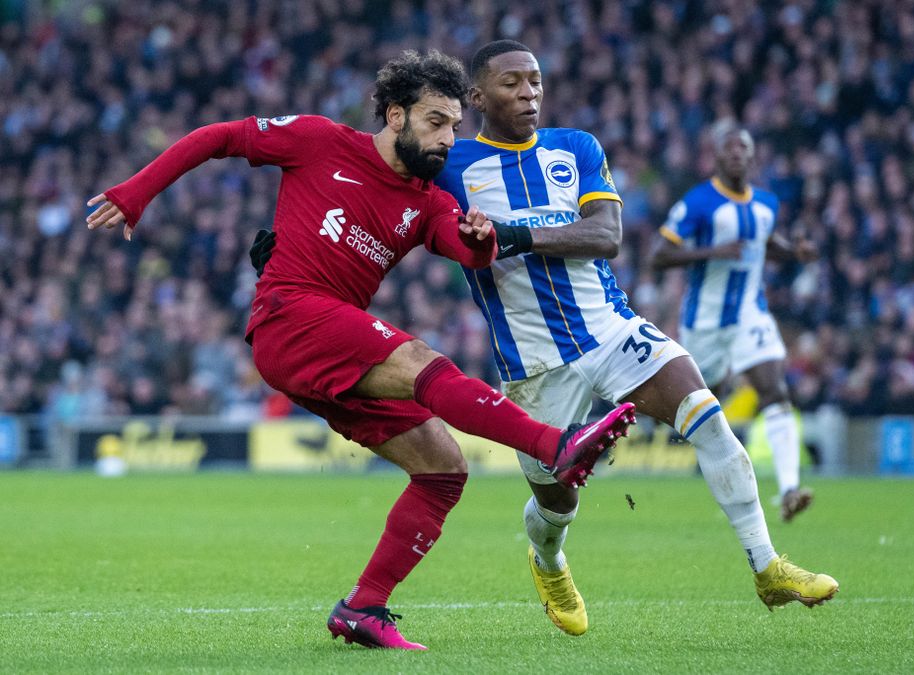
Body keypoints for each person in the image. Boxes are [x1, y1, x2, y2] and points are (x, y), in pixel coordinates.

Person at [84, 49, 636, 651]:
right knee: (423, 363)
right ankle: (554, 445)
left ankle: (364, 608)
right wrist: (137, 193)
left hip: (326, 349)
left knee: (443, 468)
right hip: (289, 317)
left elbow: (466, 250)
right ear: (395, 116)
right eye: (435, 122)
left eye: (454, 125)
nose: (449, 138)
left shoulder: (430, 201)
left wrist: (482, 242)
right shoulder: (319, 141)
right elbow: (222, 136)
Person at [438, 40, 838, 634]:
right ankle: (548, 560)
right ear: (476, 97)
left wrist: (513, 234)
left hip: (611, 328)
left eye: (536, 81)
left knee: (708, 416)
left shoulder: (575, 149)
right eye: (511, 84)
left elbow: (607, 234)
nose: (529, 93)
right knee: (557, 503)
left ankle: (766, 564)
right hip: (533, 359)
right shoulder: (451, 166)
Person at [649, 121, 819, 522]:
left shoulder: (766, 205)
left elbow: (763, 244)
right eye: (730, 149)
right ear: (717, 157)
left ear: (753, 156)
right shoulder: (698, 203)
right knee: (695, 404)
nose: (738, 154)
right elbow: (659, 256)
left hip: (749, 314)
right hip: (704, 323)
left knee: (774, 391)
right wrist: (712, 251)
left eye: (744, 148)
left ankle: (790, 489)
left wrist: (794, 252)